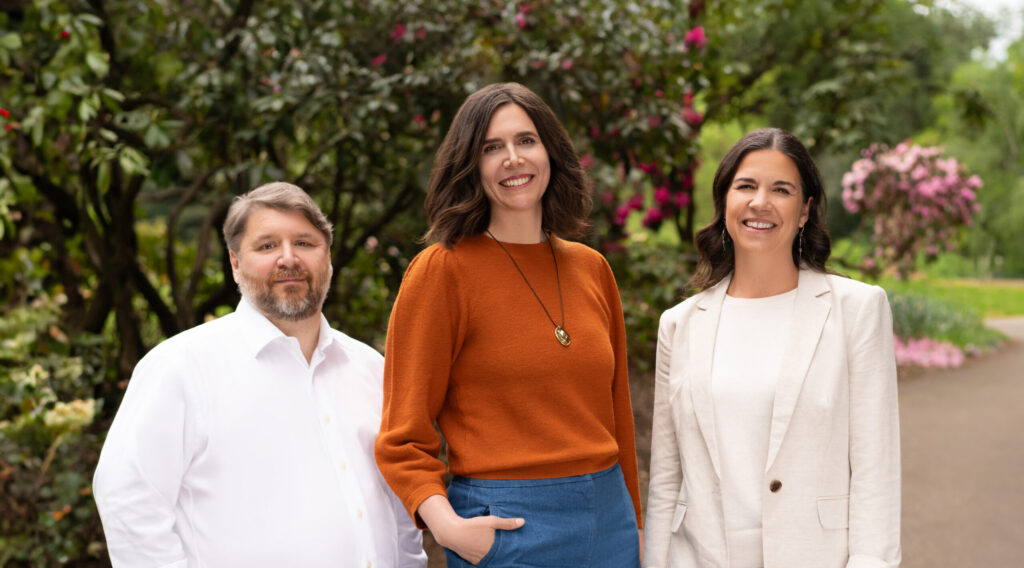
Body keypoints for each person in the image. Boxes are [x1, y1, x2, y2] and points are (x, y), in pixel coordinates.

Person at [374, 82, 643, 567]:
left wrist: (636, 528)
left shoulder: (592, 268)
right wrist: (449, 528)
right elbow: (402, 436)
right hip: (507, 528)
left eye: (526, 141)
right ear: (470, 166)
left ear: (550, 152)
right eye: (491, 148)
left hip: (610, 524)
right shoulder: (442, 271)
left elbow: (619, 419)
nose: (513, 159)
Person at [93, 182, 426, 567]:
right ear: (235, 263)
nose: (289, 258)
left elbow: (398, 505)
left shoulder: (370, 368)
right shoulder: (180, 367)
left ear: (328, 258)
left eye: (305, 243)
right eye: (267, 246)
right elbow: (128, 497)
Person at [644, 128, 901, 568]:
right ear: (725, 201)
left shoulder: (856, 310)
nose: (760, 202)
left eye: (781, 190)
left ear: (804, 211)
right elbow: (666, 479)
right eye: (746, 186)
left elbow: (875, 471)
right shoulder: (680, 325)